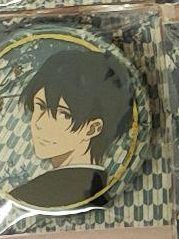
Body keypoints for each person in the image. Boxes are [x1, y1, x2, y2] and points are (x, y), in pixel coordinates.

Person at [9, 48, 133, 210]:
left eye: (63, 114)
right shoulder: (102, 189)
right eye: (40, 106)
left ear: (92, 128)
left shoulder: (29, 196)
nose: (39, 123)